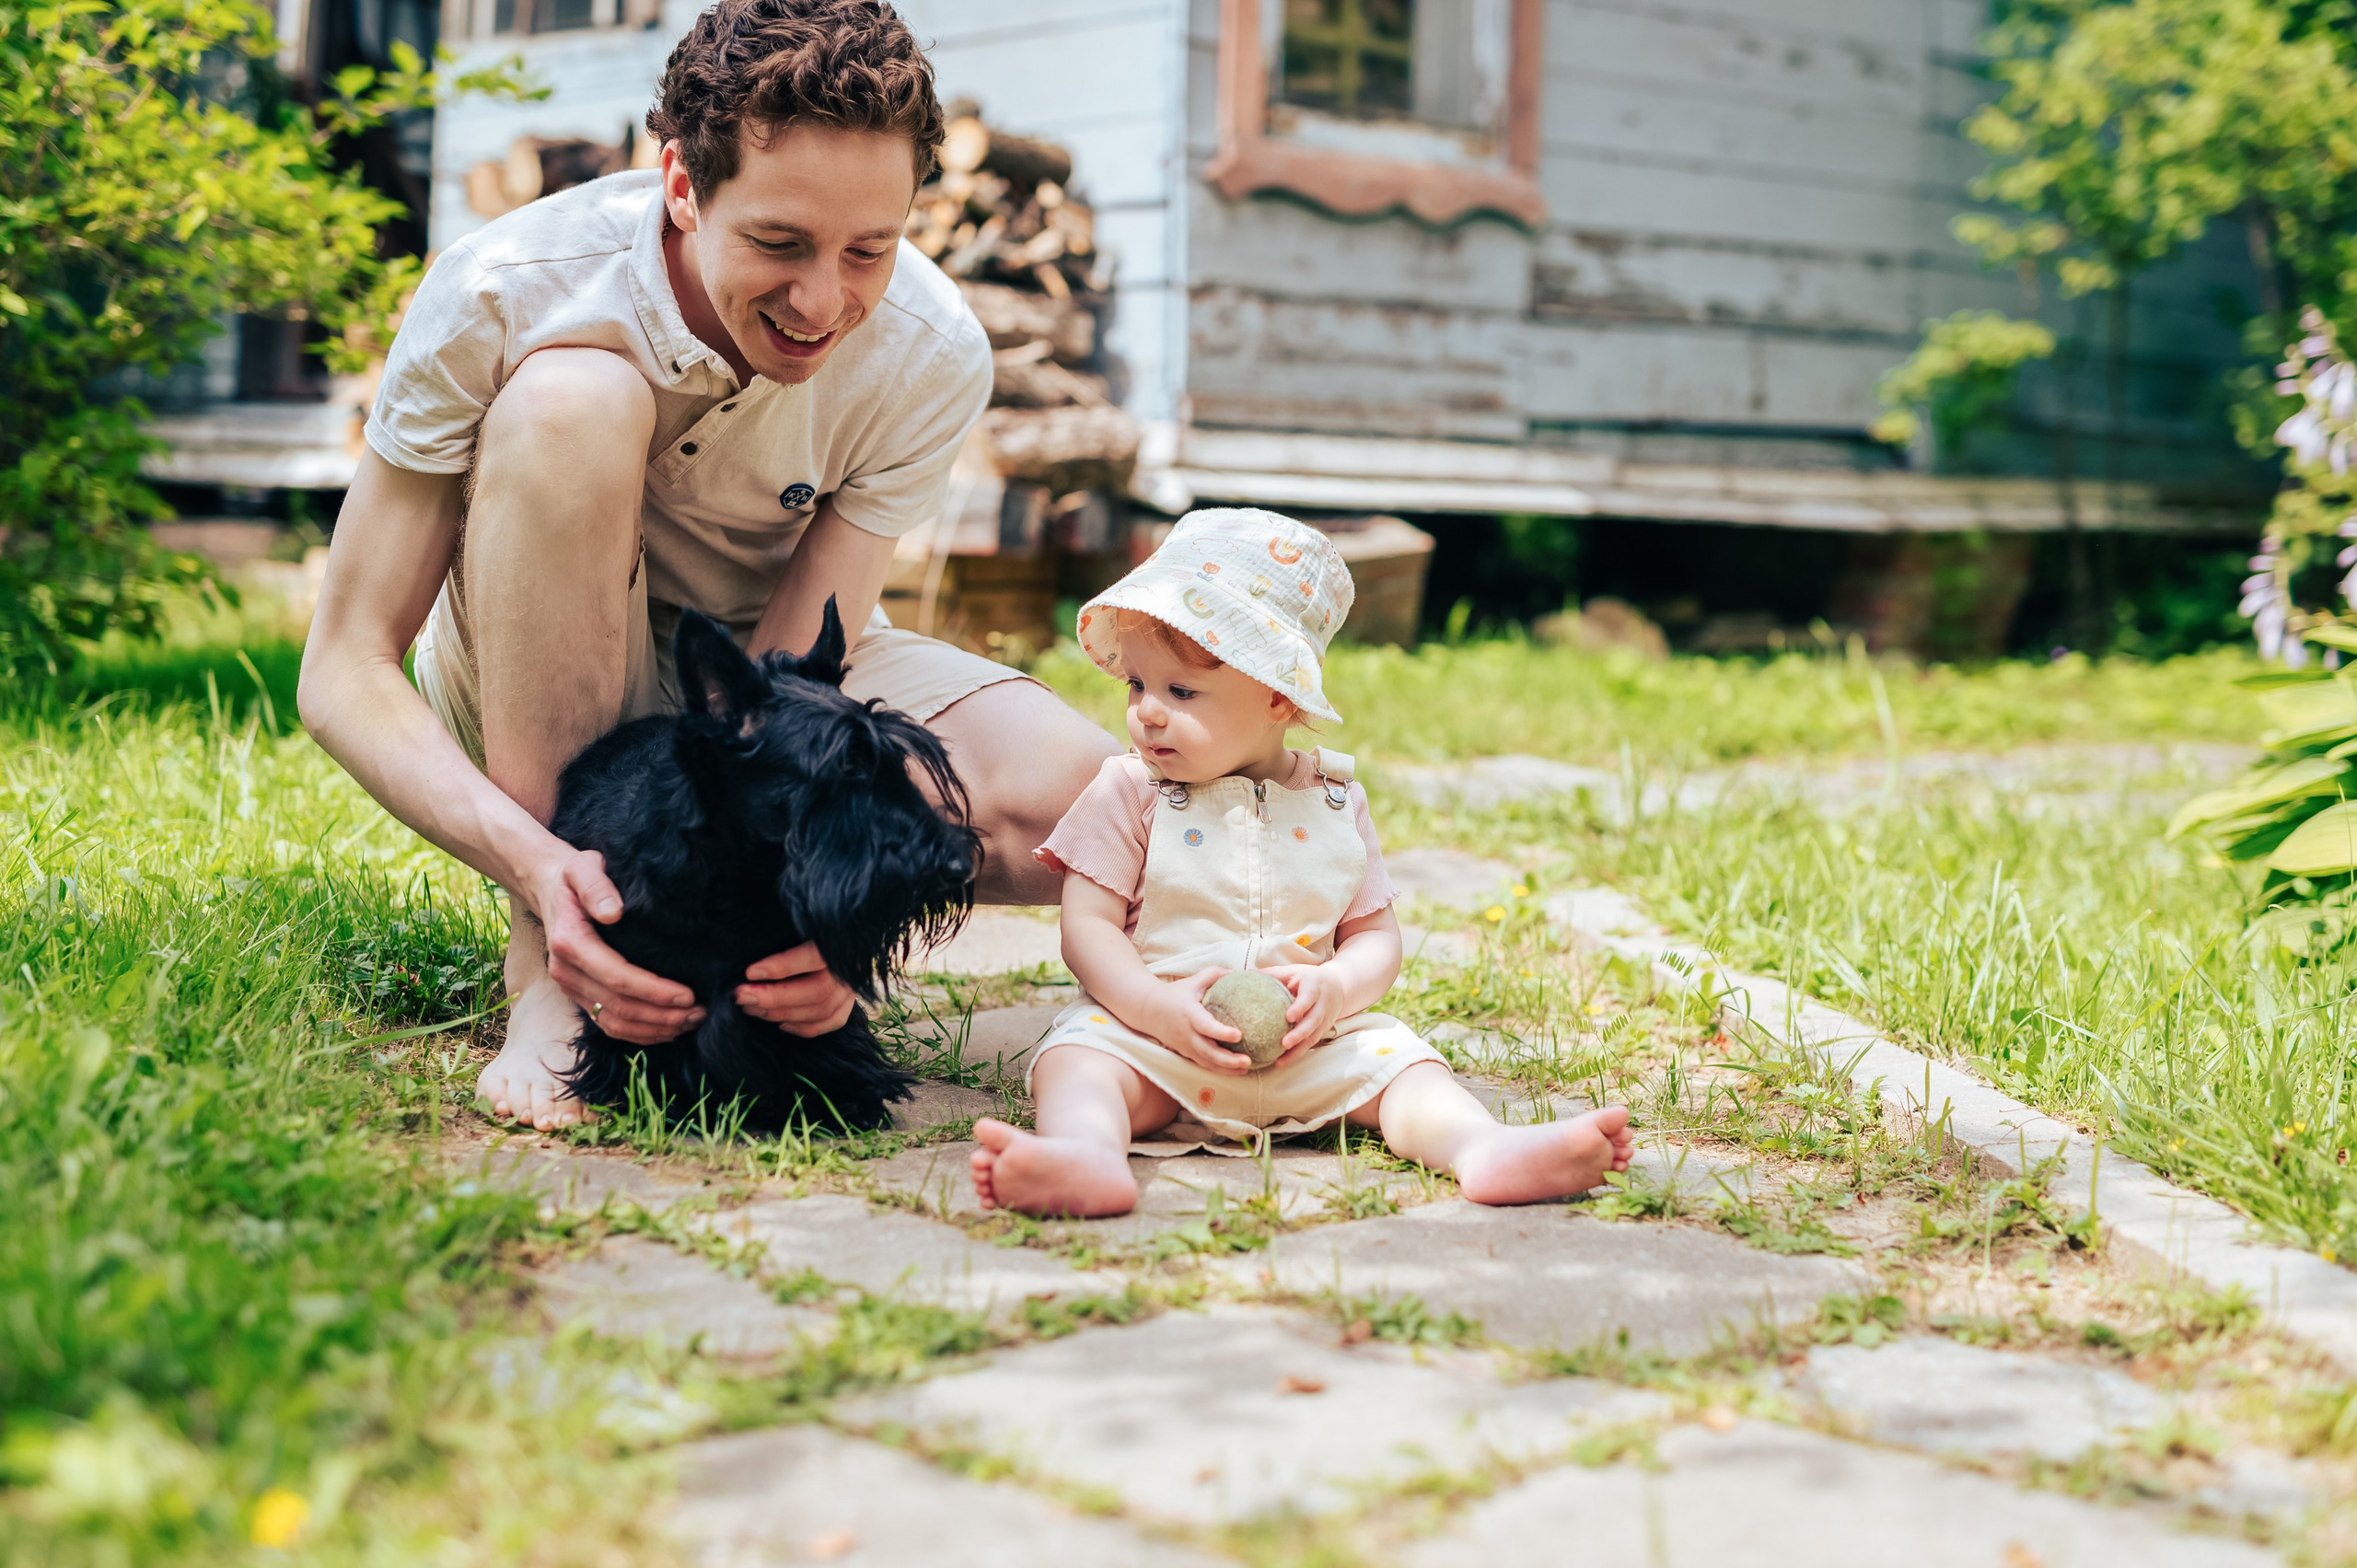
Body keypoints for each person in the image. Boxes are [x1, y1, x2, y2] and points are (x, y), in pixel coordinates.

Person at [297, 0, 1118, 1132]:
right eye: (778, 243)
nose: (823, 302)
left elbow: (791, 677)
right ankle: (555, 971)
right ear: (682, 184)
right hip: (527, 669)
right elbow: (342, 666)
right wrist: (534, 865)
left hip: (747, 683)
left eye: (869, 250)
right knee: (572, 398)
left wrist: (822, 929)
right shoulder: (505, 288)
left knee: (1095, 809)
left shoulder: (930, 351)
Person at [969, 509, 1635, 1216]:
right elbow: (1087, 928)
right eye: (1137, 684)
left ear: (1277, 695)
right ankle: (1087, 1155)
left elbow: (1375, 937)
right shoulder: (1129, 791)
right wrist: (1153, 1008)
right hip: (1157, 1047)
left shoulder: (1336, 800)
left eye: (1180, 691)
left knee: (1407, 1069)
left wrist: (1338, 990)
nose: (1147, 713)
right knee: (1079, 1061)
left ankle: (1485, 1148)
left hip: (1311, 1051)